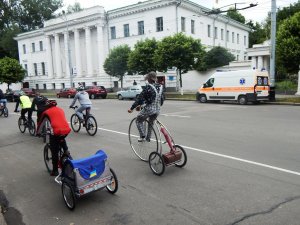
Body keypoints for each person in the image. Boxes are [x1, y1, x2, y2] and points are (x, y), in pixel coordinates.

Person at [37, 100, 71, 176]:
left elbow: (41, 124)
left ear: (47, 106)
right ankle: (66, 151)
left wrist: (38, 132)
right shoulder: (60, 110)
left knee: (54, 152)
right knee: (61, 138)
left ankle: (55, 171)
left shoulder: (47, 112)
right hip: (66, 130)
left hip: (56, 132)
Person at [128, 71, 164, 141]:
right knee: (151, 123)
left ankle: (142, 136)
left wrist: (132, 108)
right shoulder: (161, 87)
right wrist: (142, 106)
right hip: (157, 110)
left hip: (149, 110)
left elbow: (140, 98)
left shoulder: (148, 87)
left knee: (138, 120)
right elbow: (161, 100)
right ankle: (148, 138)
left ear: (150, 79)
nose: (147, 80)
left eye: (147, 78)